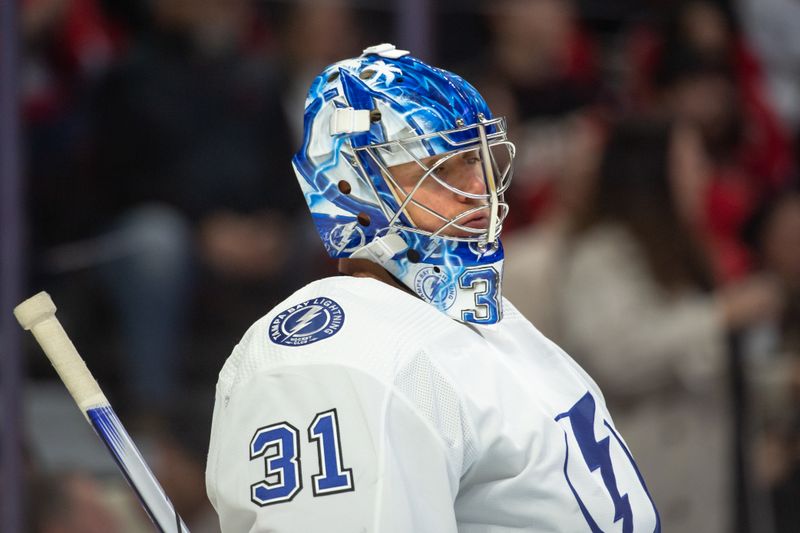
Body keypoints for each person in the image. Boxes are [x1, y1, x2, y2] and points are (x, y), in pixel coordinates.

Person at [205, 44, 661, 532]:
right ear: (351, 191)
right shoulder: (340, 356)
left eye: (479, 157)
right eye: (440, 168)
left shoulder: (489, 322)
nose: (480, 188)